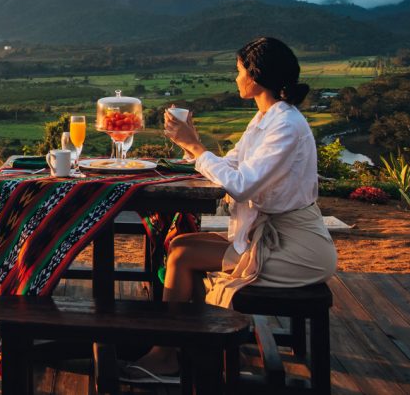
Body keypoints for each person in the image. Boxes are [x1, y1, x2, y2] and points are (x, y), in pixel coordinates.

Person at [126, 36, 337, 381]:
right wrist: (194, 147)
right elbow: (230, 166)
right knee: (180, 245)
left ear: (255, 76)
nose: (235, 78)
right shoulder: (265, 119)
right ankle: (203, 347)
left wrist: (194, 146)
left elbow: (240, 185)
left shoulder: (285, 125)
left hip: (298, 249)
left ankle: (167, 356)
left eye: (238, 71)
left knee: (182, 257)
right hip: (272, 237)